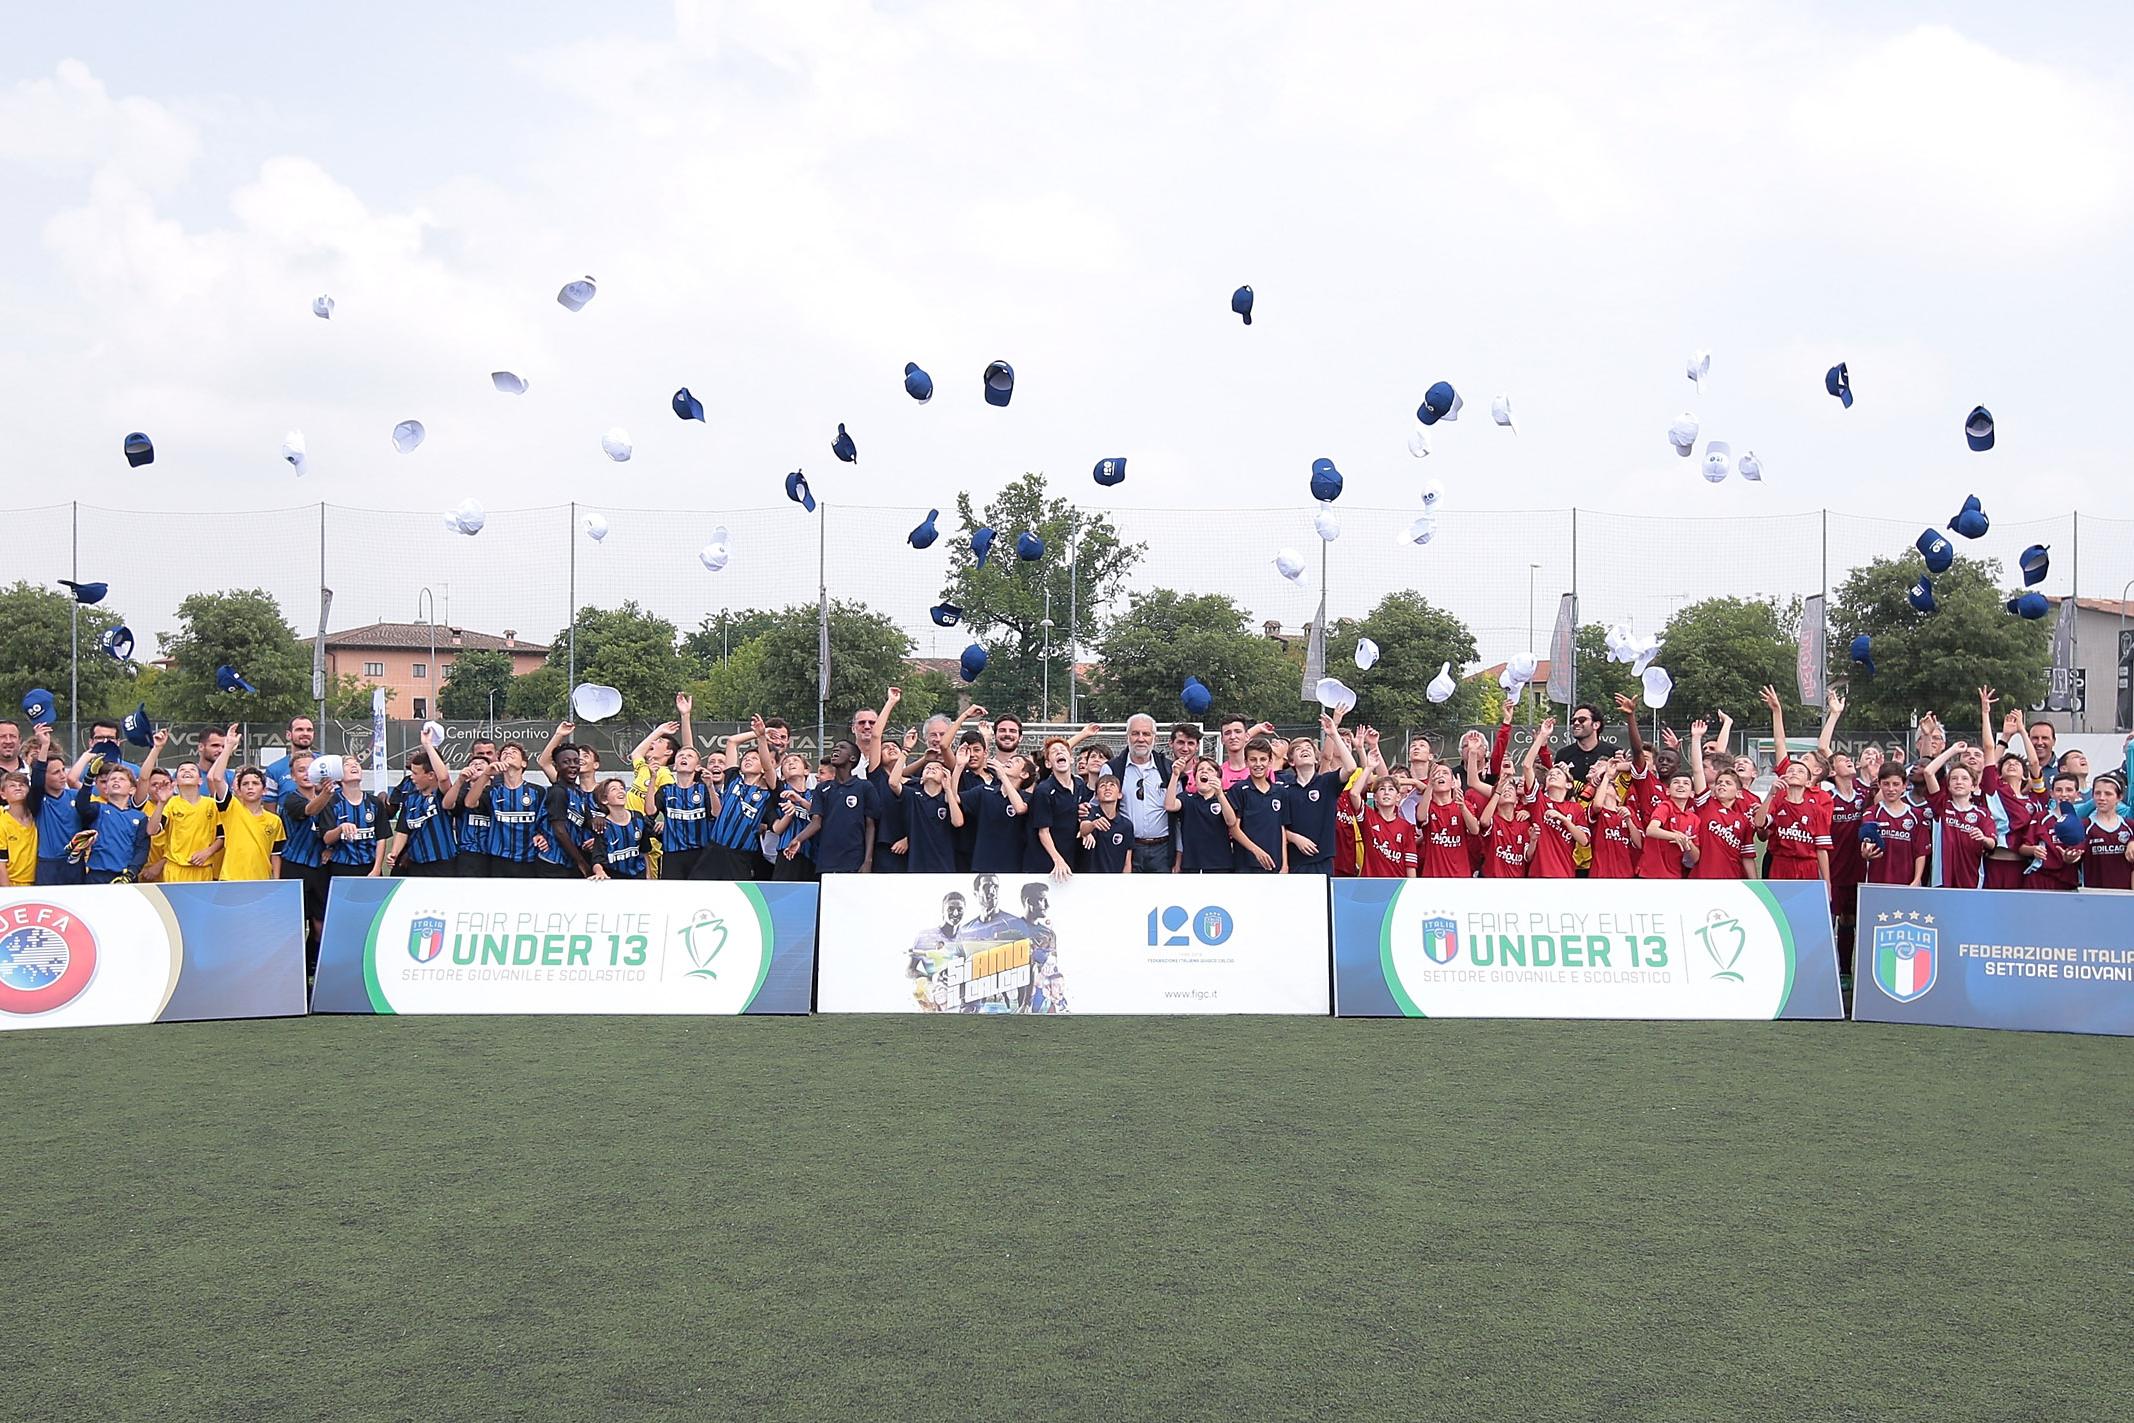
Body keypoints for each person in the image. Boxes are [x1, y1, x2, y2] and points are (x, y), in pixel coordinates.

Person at [71, 734, 163, 884]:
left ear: (132, 789)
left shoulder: (139, 817)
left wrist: (131, 873)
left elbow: (142, 849)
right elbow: (82, 806)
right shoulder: (98, 809)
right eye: (112, 779)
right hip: (96, 876)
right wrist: (89, 778)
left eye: (121, 779)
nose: (116, 781)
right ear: (105, 789)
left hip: (125, 877)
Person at [788, 740, 877, 874]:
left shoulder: (864, 787)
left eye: (842, 748)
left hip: (854, 860)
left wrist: (868, 861)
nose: (836, 750)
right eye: (835, 748)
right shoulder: (822, 788)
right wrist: (798, 839)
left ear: (852, 758)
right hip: (826, 861)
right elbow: (816, 822)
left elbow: (870, 825)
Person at [1918, 739, 1996, 889]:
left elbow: (1992, 843)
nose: (1959, 782)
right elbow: (1928, 772)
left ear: (1973, 786)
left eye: (1964, 778)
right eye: (1954, 778)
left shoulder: (1982, 814)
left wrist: (1983, 838)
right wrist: (1953, 750)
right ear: (1948, 785)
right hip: (1942, 881)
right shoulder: (1942, 806)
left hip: (1971, 881)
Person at [1284, 714, 1352, 877]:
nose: (1305, 749)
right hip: (1295, 862)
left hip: (1323, 860)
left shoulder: (1327, 782)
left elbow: (1350, 767)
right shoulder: (1284, 790)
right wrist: (1294, 838)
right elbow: (1278, 826)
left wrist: (1334, 734)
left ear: (1316, 759)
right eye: (1299, 749)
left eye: (1308, 748)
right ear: (1292, 761)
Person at [1520, 719, 1589, 880]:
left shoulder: (1575, 808)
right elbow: (1526, 766)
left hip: (1565, 875)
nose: (1553, 774)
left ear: (1569, 784)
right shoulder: (1539, 801)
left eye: (1559, 773)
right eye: (1551, 773)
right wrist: (1542, 736)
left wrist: (1563, 819)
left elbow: (1584, 840)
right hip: (1538, 874)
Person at [1689, 716, 1755, 880]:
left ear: (1738, 792)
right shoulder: (1706, 804)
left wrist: (1756, 883)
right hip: (1702, 877)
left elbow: (1748, 857)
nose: (1722, 785)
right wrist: (1696, 738)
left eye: (1728, 783)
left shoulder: (1742, 820)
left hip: (1731, 879)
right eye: (1719, 782)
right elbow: (1698, 770)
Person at [1109, 714, 1175, 875]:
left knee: (1161, 899)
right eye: (1135, 733)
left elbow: (1179, 814)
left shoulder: (1169, 770)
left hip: (1162, 850)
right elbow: (1100, 806)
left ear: (1155, 738)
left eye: (1146, 734)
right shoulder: (1112, 769)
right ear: (1127, 737)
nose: (1140, 739)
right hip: (1127, 848)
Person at [385, 739, 458, 876]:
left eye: (415, 773)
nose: (411, 777)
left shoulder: (441, 794)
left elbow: (443, 777)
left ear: (430, 775)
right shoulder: (411, 798)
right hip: (416, 864)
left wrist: (428, 745)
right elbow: (402, 830)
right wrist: (394, 853)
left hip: (442, 863)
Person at [960, 747, 1032, 874]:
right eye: (1009, 760)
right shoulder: (984, 791)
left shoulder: (1027, 797)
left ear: (1024, 774)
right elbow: (954, 798)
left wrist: (1003, 776)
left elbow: (1020, 808)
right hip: (983, 864)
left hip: (1012, 866)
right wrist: (959, 766)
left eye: (1016, 761)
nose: (1009, 761)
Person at [319, 756, 388, 882]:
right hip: (341, 868)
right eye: (347, 764)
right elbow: (326, 838)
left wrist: (377, 868)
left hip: (370, 867)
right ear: (338, 776)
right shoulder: (331, 802)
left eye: (356, 763)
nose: (354, 766)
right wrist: (340, 829)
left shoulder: (375, 803)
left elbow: (381, 838)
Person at [650, 746, 715, 880]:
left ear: (697, 767)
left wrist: (710, 787)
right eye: (680, 755)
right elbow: (650, 811)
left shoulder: (703, 789)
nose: (684, 757)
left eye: (689, 756)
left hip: (700, 853)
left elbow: (716, 813)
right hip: (672, 854)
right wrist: (652, 779)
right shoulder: (666, 790)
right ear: (674, 766)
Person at [709, 745, 774, 879]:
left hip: (741, 856)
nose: (748, 760)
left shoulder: (769, 794)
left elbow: (769, 768)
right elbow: (732, 742)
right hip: (713, 850)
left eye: (754, 758)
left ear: (763, 767)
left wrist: (761, 736)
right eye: (745, 758)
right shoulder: (733, 779)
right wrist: (756, 733)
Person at [1858, 765, 1928, 888]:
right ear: (1879, 785)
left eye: (1896, 784)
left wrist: (1917, 880)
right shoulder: (1872, 813)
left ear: (1904, 786)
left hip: (1907, 883)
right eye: (1886, 784)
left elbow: (1921, 852)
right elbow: (1867, 841)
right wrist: (1866, 852)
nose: (1891, 789)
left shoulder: (1916, 815)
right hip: (1877, 883)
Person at [1763, 758, 1832, 882]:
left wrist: (1827, 883)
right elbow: (1759, 823)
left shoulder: (1817, 810)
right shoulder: (1776, 802)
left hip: (1807, 866)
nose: (1794, 773)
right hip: (1780, 864)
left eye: (1800, 771)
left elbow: (1822, 849)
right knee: (1779, 901)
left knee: (1804, 901)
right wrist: (1770, 795)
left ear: (1808, 782)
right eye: (1790, 770)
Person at [1227, 736, 1288, 873]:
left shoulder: (1280, 792)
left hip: (1275, 864)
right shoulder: (1238, 790)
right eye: (1253, 760)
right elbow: (1234, 829)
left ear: (1270, 761)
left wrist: (1285, 864)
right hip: (1246, 865)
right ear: (1246, 762)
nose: (1258, 764)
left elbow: (1281, 828)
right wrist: (1256, 851)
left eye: (1263, 759)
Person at [889, 753, 959, 874]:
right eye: (927, 768)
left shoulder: (947, 800)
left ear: (945, 777)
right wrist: (905, 751)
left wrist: (948, 788)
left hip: (944, 863)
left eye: (937, 768)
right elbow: (893, 783)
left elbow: (958, 822)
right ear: (921, 779)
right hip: (917, 863)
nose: (931, 769)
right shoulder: (913, 796)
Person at [1168, 756, 1238, 873]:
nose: (1204, 771)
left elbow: (1231, 821)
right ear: (1195, 778)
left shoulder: (1225, 798)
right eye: (1200, 769)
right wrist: (1175, 775)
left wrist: (1220, 794)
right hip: (1192, 864)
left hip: (1220, 865)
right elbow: (1170, 806)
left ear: (1218, 778)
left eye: (1210, 770)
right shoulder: (1187, 798)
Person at [1030, 737, 1085, 880]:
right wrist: (1057, 860)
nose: (1059, 752)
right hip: (1048, 863)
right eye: (1054, 751)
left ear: (1071, 758)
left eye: (1062, 750)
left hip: (1073, 858)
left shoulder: (1079, 784)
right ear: (1048, 763)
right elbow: (1043, 832)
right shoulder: (1044, 791)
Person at [216, 767, 285, 882]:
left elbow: (275, 854)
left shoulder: (274, 820)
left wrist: (276, 881)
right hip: (230, 879)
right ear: (239, 790)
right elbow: (216, 778)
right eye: (245, 784)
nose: (250, 787)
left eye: (255, 783)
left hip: (261, 880)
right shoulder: (231, 809)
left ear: (264, 790)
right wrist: (228, 748)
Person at [1415, 764, 1481, 879]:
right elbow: (1421, 818)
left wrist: (1462, 807)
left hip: (1460, 876)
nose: (1440, 775)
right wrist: (1429, 785)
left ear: (1452, 782)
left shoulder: (1464, 806)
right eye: (1436, 773)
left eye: (1445, 773)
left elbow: (1475, 830)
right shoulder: (1426, 806)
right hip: (1432, 876)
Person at [1637, 764, 1701, 879]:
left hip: (1674, 876)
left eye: (1686, 783)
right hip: (1650, 874)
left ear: (1692, 793)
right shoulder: (1665, 806)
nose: (1681, 785)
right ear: (1667, 791)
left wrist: (1688, 843)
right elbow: (1651, 830)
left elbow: (1696, 858)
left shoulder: (1694, 819)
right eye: (1676, 782)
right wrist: (1675, 836)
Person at [765, 752, 818, 882]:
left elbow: (823, 816)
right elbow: (767, 768)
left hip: (814, 856)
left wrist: (800, 801)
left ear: (806, 771)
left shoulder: (817, 794)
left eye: (795, 760)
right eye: (786, 763)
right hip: (788, 854)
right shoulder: (780, 791)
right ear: (782, 775)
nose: (791, 763)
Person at [1586, 756, 1640, 879]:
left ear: (1618, 797)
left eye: (1610, 785)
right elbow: (1598, 805)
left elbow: (1639, 844)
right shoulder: (1596, 811)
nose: (1604, 788)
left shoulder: (1627, 813)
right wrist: (1606, 777)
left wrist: (1629, 820)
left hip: (1625, 875)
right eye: (1601, 788)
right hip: (1600, 874)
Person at [2078, 775, 2133, 890]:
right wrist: (2070, 856)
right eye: (2097, 793)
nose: (2101, 798)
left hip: (2125, 896)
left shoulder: (2130, 826)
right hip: (2093, 894)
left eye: (2108, 794)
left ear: (2119, 797)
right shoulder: (2084, 826)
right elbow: (2073, 856)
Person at [1359, 775, 1419, 878]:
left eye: (1391, 789)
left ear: (1398, 797)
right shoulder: (1368, 818)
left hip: (1397, 887)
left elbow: (1410, 865)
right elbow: (1354, 794)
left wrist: (1410, 889)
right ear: (1375, 797)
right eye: (1382, 789)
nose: (1386, 792)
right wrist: (1369, 767)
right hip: (1370, 884)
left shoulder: (1407, 827)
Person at [1478, 776, 1535, 879]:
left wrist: (1533, 840)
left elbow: (1528, 856)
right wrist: (1497, 792)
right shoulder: (1494, 820)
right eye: (1503, 789)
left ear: (1517, 800)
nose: (1506, 790)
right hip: (1491, 880)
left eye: (1510, 789)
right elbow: (1484, 821)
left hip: (1516, 881)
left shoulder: (1524, 823)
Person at [592, 779, 648, 880]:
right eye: (614, 789)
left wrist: (648, 876)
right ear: (604, 799)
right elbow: (597, 859)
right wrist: (599, 872)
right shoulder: (603, 826)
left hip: (638, 877)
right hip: (614, 879)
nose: (620, 791)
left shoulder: (638, 818)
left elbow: (644, 850)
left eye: (622, 788)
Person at [1078, 773, 1133, 873]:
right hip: (1089, 878)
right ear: (1096, 795)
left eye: (1112, 785)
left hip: (1114, 881)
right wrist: (1093, 824)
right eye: (1102, 786)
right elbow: (1083, 829)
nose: (1107, 788)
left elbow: (1127, 861)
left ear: (1120, 794)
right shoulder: (1090, 812)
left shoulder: (1126, 825)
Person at [1554, 703, 1619, 786]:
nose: (1576, 723)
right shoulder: (1563, 754)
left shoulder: (1614, 753)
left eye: (1582, 720)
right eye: (1573, 721)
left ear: (1596, 725)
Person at [0, 770, 36, 885]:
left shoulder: (36, 817)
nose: (18, 788)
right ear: (3, 794)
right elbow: (1, 864)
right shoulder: (2, 822)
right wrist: (8, 892)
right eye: (12, 785)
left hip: (38, 882)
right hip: (12, 884)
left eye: (22, 785)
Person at [262, 716, 317, 790]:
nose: (305, 733)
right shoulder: (274, 770)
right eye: (299, 730)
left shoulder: (326, 763)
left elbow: (336, 798)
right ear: (288, 735)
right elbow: (269, 801)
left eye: (309, 730)